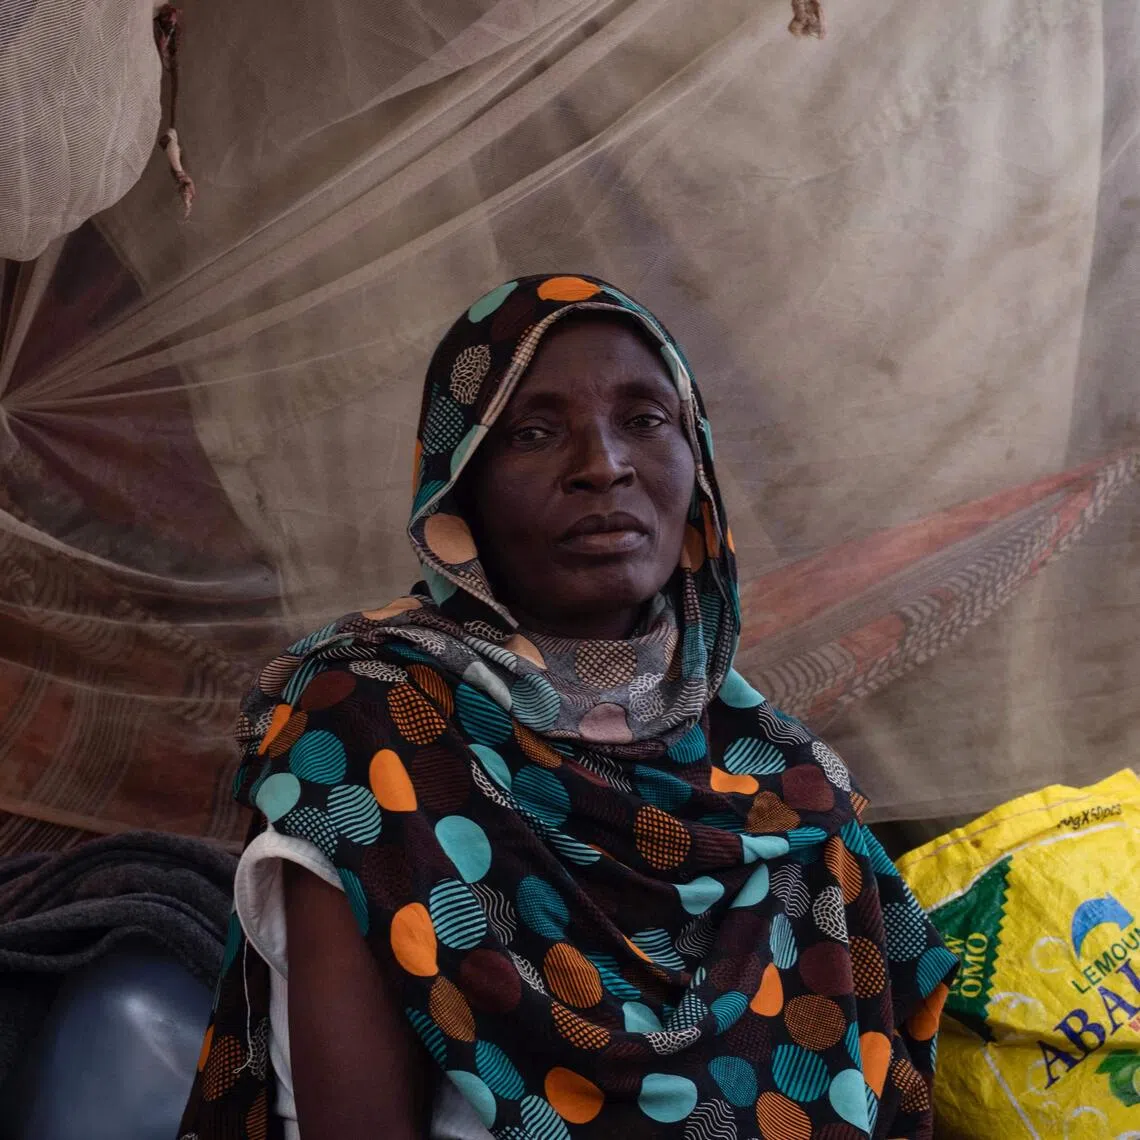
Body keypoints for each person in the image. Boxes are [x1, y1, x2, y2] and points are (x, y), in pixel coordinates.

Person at [179, 274, 956, 1140]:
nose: (603, 465)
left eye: (646, 420)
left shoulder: (785, 785)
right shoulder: (372, 730)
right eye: (535, 433)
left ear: (696, 460)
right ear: (458, 492)